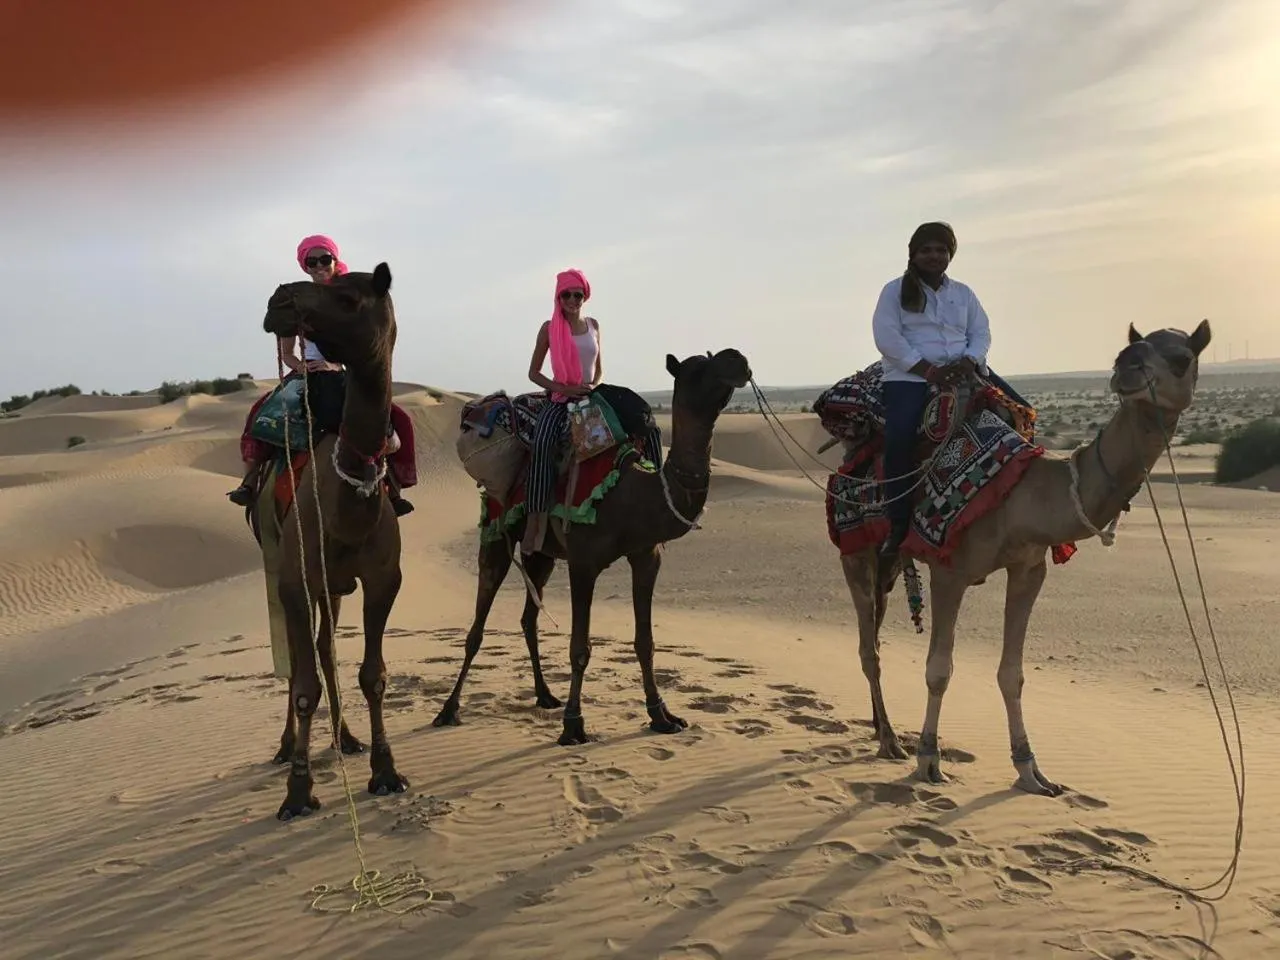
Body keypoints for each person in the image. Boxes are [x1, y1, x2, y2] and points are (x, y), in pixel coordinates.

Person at [227, 234, 415, 516]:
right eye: (311, 261)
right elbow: (287, 353)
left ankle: (393, 487)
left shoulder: (349, 297)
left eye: (324, 259)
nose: (318, 266)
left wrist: (333, 366)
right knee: (261, 414)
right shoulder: (299, 304)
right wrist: (302, 367)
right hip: (307, 374)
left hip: (343, 371)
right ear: (305, 266)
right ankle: (250, 481)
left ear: (335, 259)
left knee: (394, 419)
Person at [871, 221, 990, 561]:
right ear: (913, 254)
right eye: (926, 250)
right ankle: (898, 524)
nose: (934, 256)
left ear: (950, 254)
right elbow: (886, 336)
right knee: (899, 442)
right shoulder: (894, 291)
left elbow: (981, 332)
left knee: (1020, 418)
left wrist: (969, 360)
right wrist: (926, 370)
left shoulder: (963, 293)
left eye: (941, 250)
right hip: (910, 378)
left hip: (963, 372)